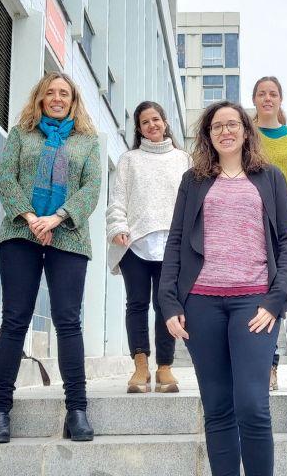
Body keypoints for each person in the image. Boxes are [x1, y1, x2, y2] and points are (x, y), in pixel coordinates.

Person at [159, 101, 287, 476]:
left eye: (232, 124)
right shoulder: (194, 180)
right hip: (202, 302)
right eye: (216, 127)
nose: (225, 131)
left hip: (254, 304)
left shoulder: (270, 177)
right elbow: (176, 242)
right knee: (217, 408)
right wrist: (169, 302)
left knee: (252, 405)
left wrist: (275, 300)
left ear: (246, 130)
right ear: (208, 136)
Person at [0, 72, 101, 444]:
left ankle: (77, 410)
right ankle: (0, 411)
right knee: (15, 320)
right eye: (49, 92)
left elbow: (91, 187)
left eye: (63, 93)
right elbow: (6, 179)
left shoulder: (88, 141)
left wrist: (58, 217)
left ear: (72, 100)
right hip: (21, 232)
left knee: (68, 321)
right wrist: (33, 218)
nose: (56, 98)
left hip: (68, 235)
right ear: (39, 98)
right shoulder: (22, 134)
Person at [106, 101, 191, 393]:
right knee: (137, 304)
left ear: (165, 122)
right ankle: (140, 366)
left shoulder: (183, 159)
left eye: (156, 119)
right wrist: (118, 227)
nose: (152, 125)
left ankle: (165, 368)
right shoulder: (129, 159)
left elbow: (193, 202)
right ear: (139, 129)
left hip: (173, 245)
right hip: (136, 244)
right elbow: (117, 199)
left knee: (165, 305)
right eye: (145, 122)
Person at [252, 76, 287, 391]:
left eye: (273, 93)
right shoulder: (247, 137)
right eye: (262, 93)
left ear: (280, 99)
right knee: (262, 299)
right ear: (255, 99)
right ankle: (268, 367)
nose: (267, 98)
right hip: (254, 231)